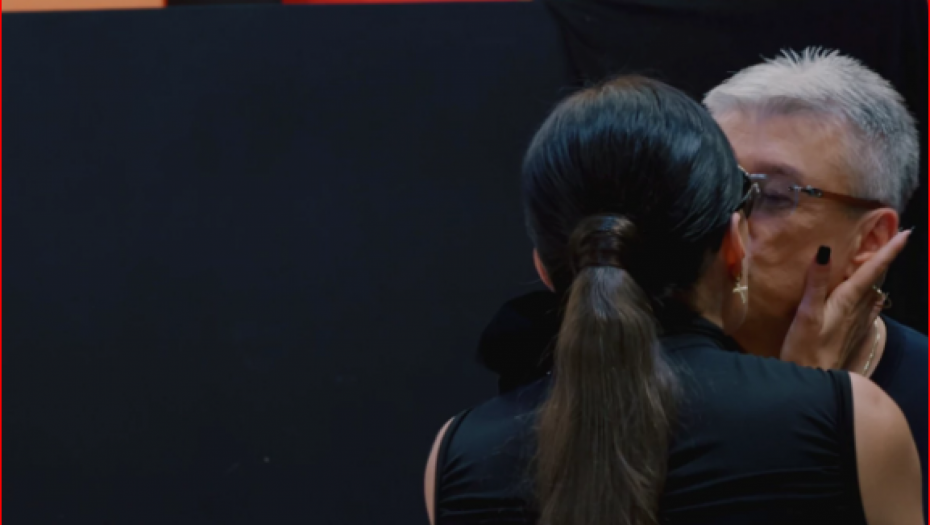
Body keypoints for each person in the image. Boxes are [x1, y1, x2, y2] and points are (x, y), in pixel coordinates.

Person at [425, 76, 921, 525]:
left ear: (871, 238)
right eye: (724, 189)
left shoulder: (460, 451)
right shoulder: (848, 420)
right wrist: (811, 416)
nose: (746, 213)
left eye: (771, 195)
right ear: (732, 241)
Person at [703, 48, 927, 514]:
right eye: (709, 188)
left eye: (771, 196)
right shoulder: (639, 380)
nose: (726, 220)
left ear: (870, 239)